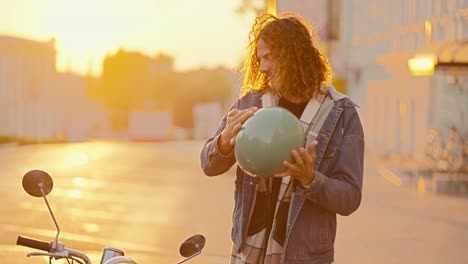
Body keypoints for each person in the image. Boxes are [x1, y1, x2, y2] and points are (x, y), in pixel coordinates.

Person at [200, 12, 364, 264]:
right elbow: (208, 165)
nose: (262, 67)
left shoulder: (341, 114)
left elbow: (350, 198)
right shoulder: (250, 103)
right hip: (248, 253)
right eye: (259, 59)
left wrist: (310, 180)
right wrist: (224, 141)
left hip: (304, 256)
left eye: (269, 57)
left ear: (294, 55)